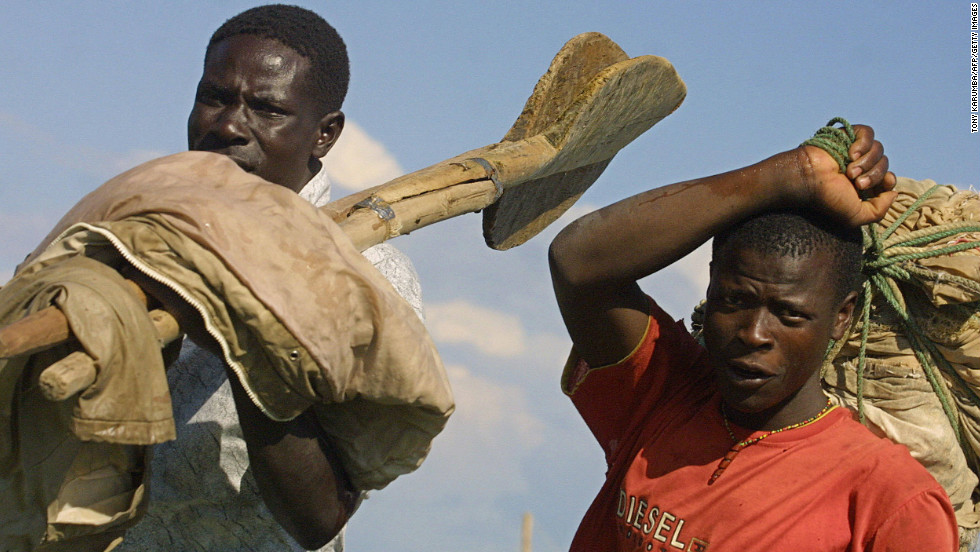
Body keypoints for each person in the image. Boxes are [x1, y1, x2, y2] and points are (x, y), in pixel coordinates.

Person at [548, 124, 959, 550]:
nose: (754, 333)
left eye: (789, 314)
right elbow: (577, 264)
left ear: (841, 317)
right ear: (709, 287)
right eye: (734, 301)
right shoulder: (665, 393)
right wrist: (791, 173)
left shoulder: (888, 499)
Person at [116, 5, 423, 551]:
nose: (229, 126)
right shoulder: (135, 237)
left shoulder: (365, 280)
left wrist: (241, 332)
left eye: (267, 109)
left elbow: (318, 516)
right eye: (214, 97)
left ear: (324, 135)